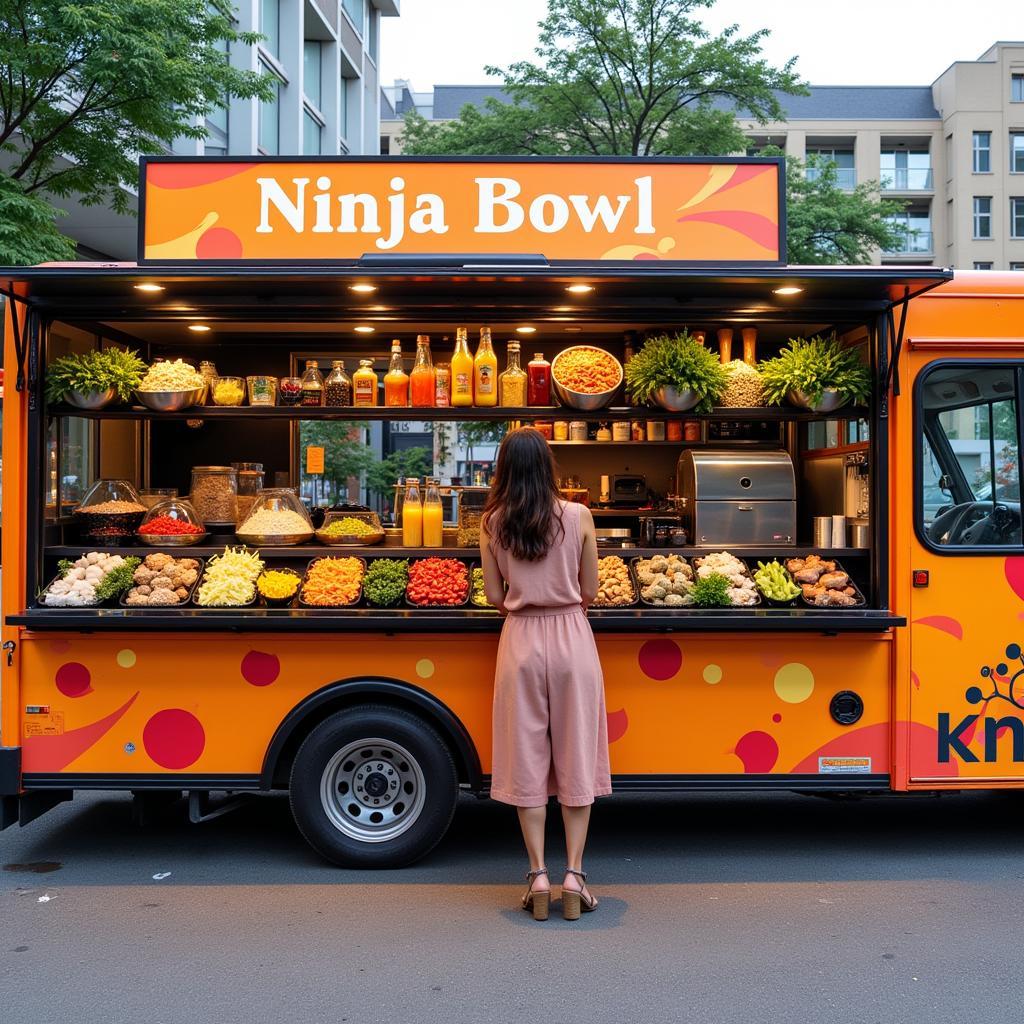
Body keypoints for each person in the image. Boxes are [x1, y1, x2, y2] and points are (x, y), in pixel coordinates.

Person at [480, 427, 611, 921]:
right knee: (576, 751)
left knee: (526, 758)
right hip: (573, 640)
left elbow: (495, 596)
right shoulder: (578, 516)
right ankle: (574, 877)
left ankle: (538, 876)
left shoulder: (492, 522)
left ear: (503, 469)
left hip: (521, 641)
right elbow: (591, 590)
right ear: (548, 466)